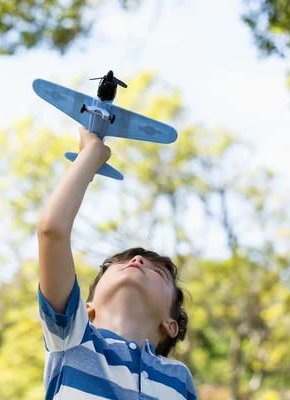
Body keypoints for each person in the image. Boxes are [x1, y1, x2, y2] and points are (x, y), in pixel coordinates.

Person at [37, 126, 197, 399]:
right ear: (87, 310)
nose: (136, 260)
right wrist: (92, 154)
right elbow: (52, 230)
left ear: (171, 325)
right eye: (120, 263)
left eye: (157, 270)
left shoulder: (178, 378)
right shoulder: (73, 338)